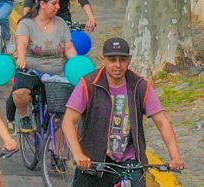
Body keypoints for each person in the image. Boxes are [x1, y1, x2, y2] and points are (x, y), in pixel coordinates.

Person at [63, 37, 185, 185]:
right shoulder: (88, 84)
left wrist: (175, 157)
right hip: (93, 162)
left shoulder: (140, 86)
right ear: (103, 60)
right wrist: (78, 154)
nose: (118, 65)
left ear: (129, 61)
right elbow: (69, 121)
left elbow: (162, 121)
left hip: (130, 161)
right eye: (112, 59)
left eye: (123, 59)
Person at [11, 0, 78, 133]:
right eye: (54, 4)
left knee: (70, 105)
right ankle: (25, 117)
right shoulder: (27, 24)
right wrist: (22, 57)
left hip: (57, 73)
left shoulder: (61, 23)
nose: (58, 7)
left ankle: (58, 146)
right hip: (32, 70)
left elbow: (69, 47)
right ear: (42, 4)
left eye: (58, 3)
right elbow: (21, 43)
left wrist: (77, 64)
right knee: (20, 93)